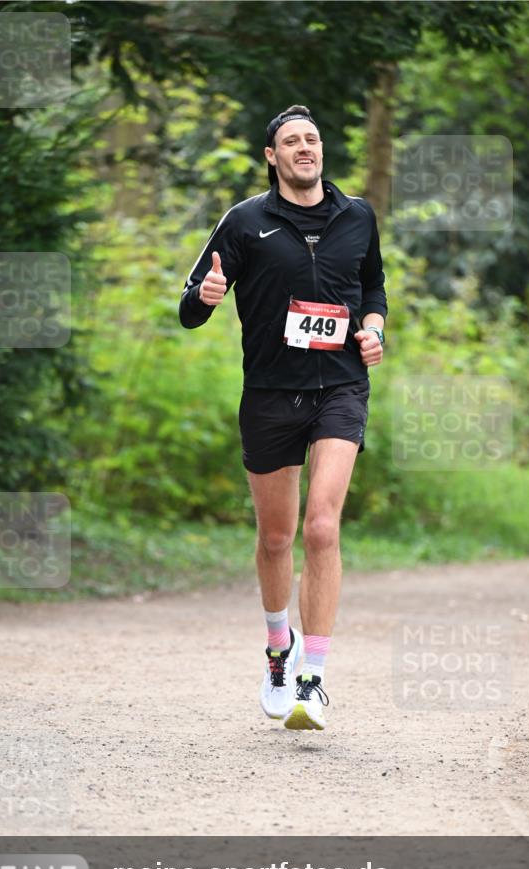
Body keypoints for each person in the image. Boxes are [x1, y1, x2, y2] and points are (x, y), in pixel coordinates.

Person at [179, 105, 387, 731]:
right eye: (291, 141)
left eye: (312, 139)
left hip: (340, 389)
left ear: (322, 151)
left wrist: (373, 329)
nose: (305, 148)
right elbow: (189, 308)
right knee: (276, 538)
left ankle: (313, 679)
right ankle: (278, 650)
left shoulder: (357, 217)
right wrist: (207, 297)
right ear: (272, 156)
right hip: (270, 393)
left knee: (321, 527)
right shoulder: (245, 223)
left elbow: (372, 288)